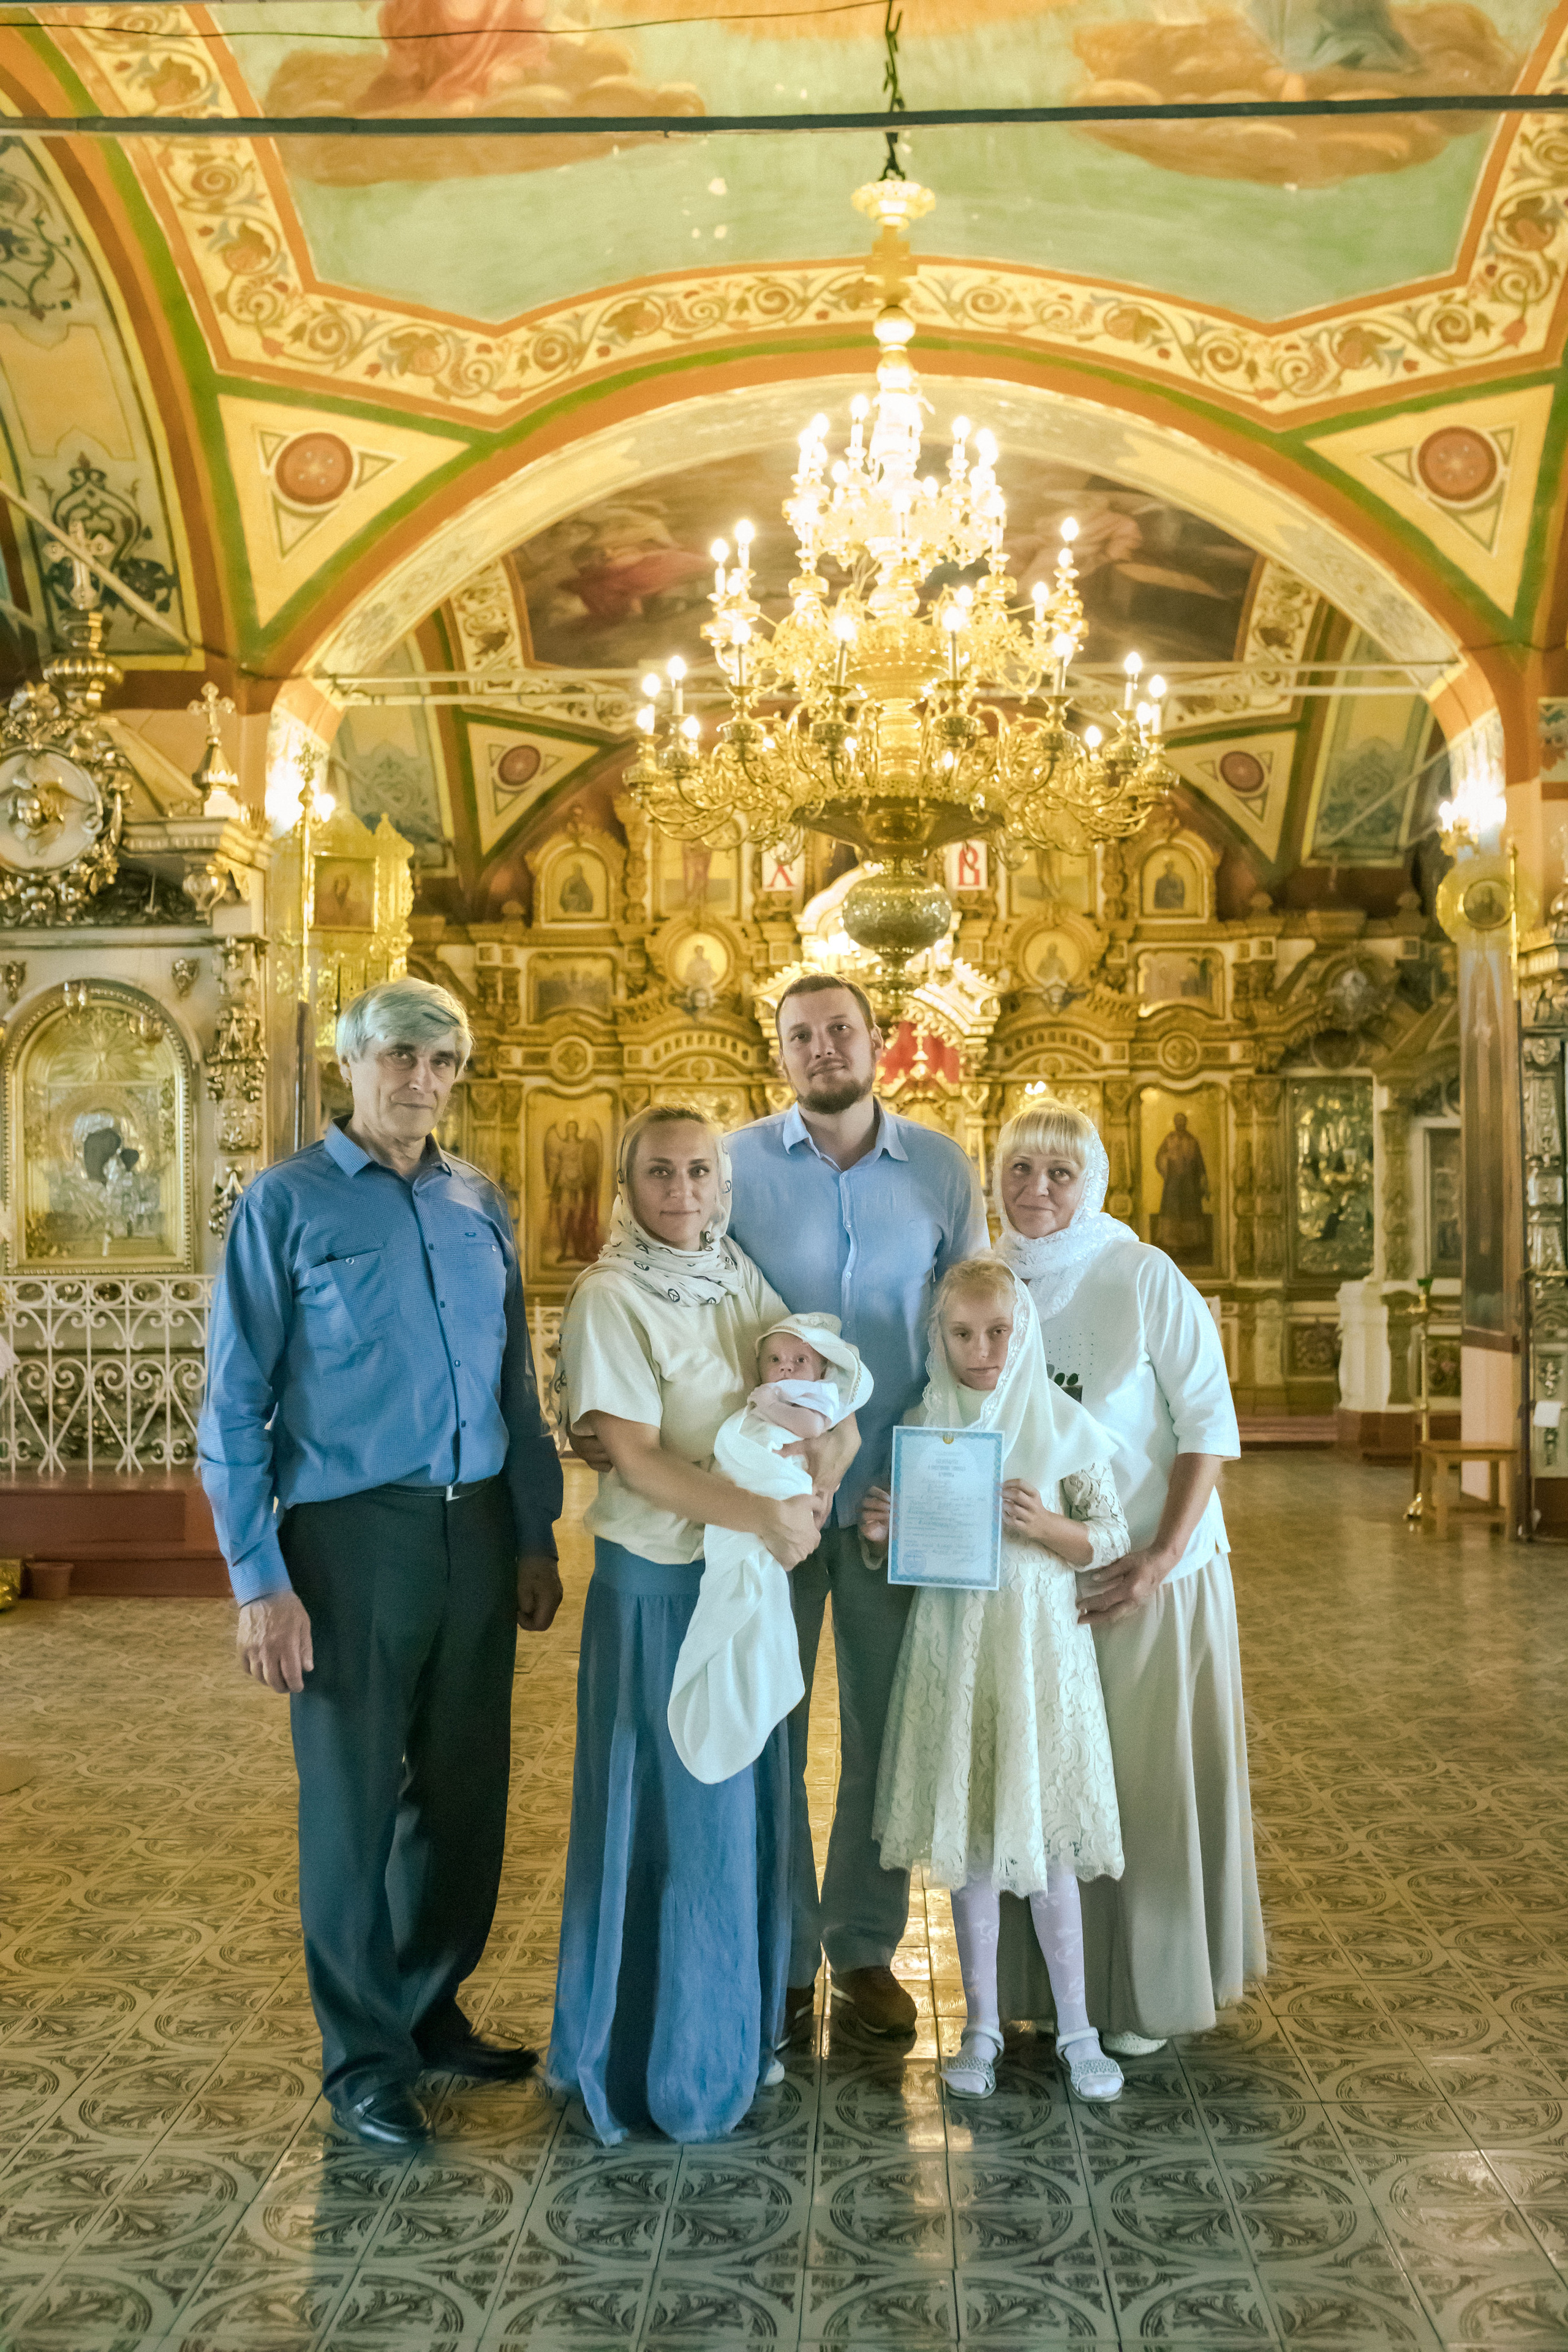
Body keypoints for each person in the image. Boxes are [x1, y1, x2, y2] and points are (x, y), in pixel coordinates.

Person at [198, 977, 563, 2152]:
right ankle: (362, 2057)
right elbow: (235, 1402)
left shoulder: (478, 1202)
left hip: (475, 1529)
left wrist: (536, 1528)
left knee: (462, 1794)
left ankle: (426, 2005)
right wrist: (260, 1579)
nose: (423, 1079)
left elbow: (516, 1383)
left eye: (444, 1060)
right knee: (352, 1805)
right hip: (350, 1538)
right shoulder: (286, 1205)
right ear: (350, 1065)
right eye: (401, 1055)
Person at [547, 1105, 824, 2143]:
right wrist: (763, 1511)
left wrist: (823, 1475)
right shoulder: (611, 1295)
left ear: (724, 1183)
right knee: (672, 1821)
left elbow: (809, 1384)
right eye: (660, 1175)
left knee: (737, 1813)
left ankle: (729, 2047)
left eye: (701, 1173)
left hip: (739, 1578)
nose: (684, 1194)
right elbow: (636, 1455)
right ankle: (653, 2069)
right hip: (661, 1587)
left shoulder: (731, 1272)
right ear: (628, 1185)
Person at [726, 973, 990, 2041]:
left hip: (894, 1502)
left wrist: (933, 1487)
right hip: (773, 1508)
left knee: (889, 1736)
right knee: (770, 1731)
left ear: (880, 1041)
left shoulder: (938, 1168)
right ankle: (785, 1953)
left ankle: (865, 1951)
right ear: (780, 1053)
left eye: (842, 1031)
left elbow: (970, 1336)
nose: (824, 1048)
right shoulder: (735, 1166)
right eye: (803, 1036)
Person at [989, 1098, 1262, 2051]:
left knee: (1142, 1784)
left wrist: (1159, 1557)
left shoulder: (1143, 1274)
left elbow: (1208, 1426)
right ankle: (1059, 1989)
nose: (1038, 1190)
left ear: (1093, 1182)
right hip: (1042, 1578)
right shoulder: (990, 1285)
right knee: (1056, 1782)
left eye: (1060, 1173)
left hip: (1153, 1574)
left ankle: (1145, 1993)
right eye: (1020, 1170)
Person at [861, 1259, 1128, 2103]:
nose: (982, 1350)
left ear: (1026, 1332)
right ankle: (978, 2026)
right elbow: (902, 1563)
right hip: (957, 1649)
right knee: (971, 1844)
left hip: (1036, 1649)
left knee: (1046, 1840)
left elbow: (1110, 1535)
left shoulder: (1061, 1422)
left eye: (999, 1332)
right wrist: (882, 1531)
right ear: (938, 1339)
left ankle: (1077, 2029)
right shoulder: (923, 1425)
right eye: (963, 1334)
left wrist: (1048, 1524)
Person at [668, 1313, 872, 1786]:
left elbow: (813, 1425)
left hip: (785, 1488)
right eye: (775, 1360)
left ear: (821, 1370)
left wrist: (767, 1404)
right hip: (751, 1493)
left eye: (800, 1360)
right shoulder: (773, 1394)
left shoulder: (816, 1397)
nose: (786, 1368)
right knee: (733, 1554)